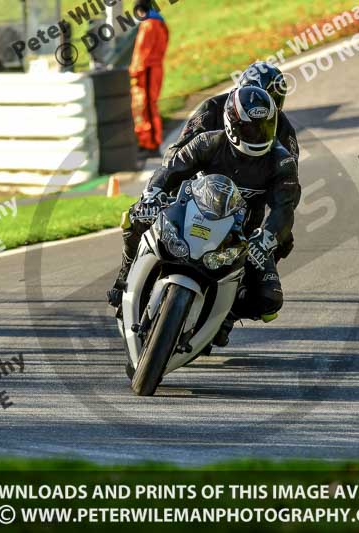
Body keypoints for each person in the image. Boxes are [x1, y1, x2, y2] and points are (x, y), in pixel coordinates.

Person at [108, 87, 301, 346]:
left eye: (265, 128)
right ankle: (125, 279)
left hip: (239, 232)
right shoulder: (209, 142)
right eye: (252, 128)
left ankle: (225, 315)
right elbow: (170, 170)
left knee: (269, 300)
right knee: (135, 217)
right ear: (233, 124)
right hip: (191, 210)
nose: (260, 135)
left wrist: (265, 240)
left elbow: (284, 209)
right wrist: (152, 196)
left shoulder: (282, 162)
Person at [162, 61, 299, 261]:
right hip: (200, 192)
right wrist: (168, 191)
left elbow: (290, 183)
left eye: (273, 99)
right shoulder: (212, 108)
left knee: (282, 240)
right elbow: (178, 152)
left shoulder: (284, 130)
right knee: (143, 217)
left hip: (248, 203)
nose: (261, 106)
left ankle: (255, 286)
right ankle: (125, 278)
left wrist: (273, 229)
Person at [129, 0, 169, 159]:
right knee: (146, 106)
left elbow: (141, 53)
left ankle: (151, 143)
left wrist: (133, 72)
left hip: (147, 69)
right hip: (153, 68)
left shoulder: (149, 24)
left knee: (146, 107)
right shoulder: (158, 22)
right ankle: (148, 142)